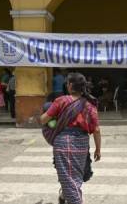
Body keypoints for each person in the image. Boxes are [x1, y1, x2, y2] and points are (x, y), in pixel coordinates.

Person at [40, 72, 101, 204]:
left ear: (70, 85)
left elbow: (43, 119)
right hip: (82, 144)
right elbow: (96, 130)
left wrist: (52, 120)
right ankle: (64, 196)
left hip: (63, 143)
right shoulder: (90, 105)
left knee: (67, 178)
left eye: (67, 83)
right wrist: (98, 150)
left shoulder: (61, 101)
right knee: (75, 177)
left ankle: (73, 199)